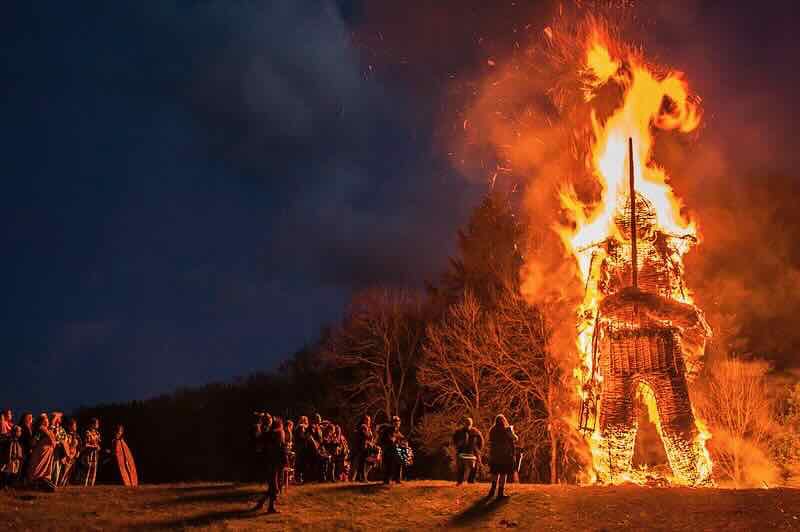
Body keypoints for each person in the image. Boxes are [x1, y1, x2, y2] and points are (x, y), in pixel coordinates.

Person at [254, 418, 288, 514]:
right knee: (275, 488)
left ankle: (261, 503)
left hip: (272, 463)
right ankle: (271, 508)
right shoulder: (277, 433)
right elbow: (282, 449)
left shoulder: (269, 433)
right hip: (274, 463)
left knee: (272, 487)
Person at [487, 414, 518, 499]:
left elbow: (490, 441)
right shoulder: (506, 430)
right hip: (505, 455)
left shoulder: (492, 430)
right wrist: (512, 431)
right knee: (503, 474)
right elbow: (515, 438)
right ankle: (500, 492)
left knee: (495, 473)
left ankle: (492, 491)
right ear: (504, 421)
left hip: (495, 455)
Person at [26, 414, 57, 491]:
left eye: (47, 420)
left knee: (46, 468)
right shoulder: (41, 429)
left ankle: (43, 481)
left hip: (47, 451)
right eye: (46, 420)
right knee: (38, 467)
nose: (47, 422)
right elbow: (34, 442)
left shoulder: (47, 430)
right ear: (42, 422)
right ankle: (36, 481)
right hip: (41, 451)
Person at [453, 417, 484, 485]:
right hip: (462, 451)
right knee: (461, 467)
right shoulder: (459, 432)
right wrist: (458, 445)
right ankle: (460, 481)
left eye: (469, 424)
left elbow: (481, 441)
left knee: (474, 467)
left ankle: (471, 480)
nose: (468, 425)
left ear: (471, 424)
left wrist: (478, 449)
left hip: (473, 452)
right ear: (464, 424)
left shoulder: (475, 432)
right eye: (466, 424)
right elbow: (454, 440)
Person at [379, 416, 405, 485]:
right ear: (393, 423)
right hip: (388, 450)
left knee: (398, 463)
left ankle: (397, 479)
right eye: (395, 422)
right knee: (388, 465)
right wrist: (395, 439)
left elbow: (401, 438)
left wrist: (402, 442)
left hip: (394, 450)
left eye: (398, 422)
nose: (397, 423)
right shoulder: (389, 430)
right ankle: (387, 479)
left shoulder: (396, 430)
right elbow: (390, 440)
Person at [77, 418, 102, 486]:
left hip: (95, 454)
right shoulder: (87, 432)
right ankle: (84, 485)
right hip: (88, 454)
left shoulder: (97, 433)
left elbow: (98, 443)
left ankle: (91, 485)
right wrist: (94, 446)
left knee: (94, 470)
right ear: (92, 424)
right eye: (97, 423)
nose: (98, 425)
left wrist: (98, 447)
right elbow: (86, 444)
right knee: (88, 469)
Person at [350, 415, 374, 482]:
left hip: (365, 447)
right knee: (362, 463)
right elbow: (366, 435)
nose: (369, 421)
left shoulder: (367, 427)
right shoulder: (363, 426)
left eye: (369, 420)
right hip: (362, 447)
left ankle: (361, 477)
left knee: (364, 463)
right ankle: (362, 477)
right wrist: (369, 435)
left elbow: (370, 437)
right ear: (364, 420)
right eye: (368, 420)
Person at [58, 419, 81, 487]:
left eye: (75, 426)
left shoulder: (77, 435)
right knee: (64, 469)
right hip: (66, 454)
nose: (75, 427)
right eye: (74, 426)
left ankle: (65, 483)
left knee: (70, 470)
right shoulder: (65, 434)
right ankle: (60, 483)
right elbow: (63, 443)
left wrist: (78, 452)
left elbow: (80, 445)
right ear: (69, 426)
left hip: (73, 454)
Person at [49, 412, 66, 485]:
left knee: (58, 466)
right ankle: (50, 482)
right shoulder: (51, 427)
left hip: (59, 450)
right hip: (52, 450)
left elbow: (65, 438)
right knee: (52, 466)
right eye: (59, 417)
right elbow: (53, 436)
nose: (60, 419)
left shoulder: (61, 429)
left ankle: (55, 483)